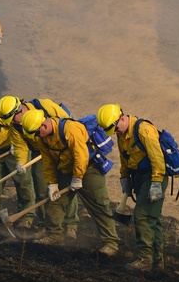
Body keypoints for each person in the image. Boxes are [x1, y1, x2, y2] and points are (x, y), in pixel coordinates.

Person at [21, 109, 119, 255]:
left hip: (89, 169)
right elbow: (48, 162)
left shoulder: (70, 129)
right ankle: (54, 236)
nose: (35, 137)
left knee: (99, 205)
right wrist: (52, 183)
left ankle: (111, 243)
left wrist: (78, 177)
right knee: (54, 201)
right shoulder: (42, 138)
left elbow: (81, 155)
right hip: (67, 170)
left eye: (35, 133)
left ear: (43, 126)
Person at [97, 104, 167, 273]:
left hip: (153, 176)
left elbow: (157, 158)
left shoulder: (144, 130)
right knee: (152, 219)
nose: (114, 132)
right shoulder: (122, 133)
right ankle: (157, 262)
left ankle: (145, 259)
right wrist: (124, 178)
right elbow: (124, 157)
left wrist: (156, 183)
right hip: (139, 178)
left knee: (141, 216)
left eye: (114, 128)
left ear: (121, 118)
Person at [0, 96, 80, 236]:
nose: (11, 122)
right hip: (41, 152)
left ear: (19, 110)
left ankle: (70, 224)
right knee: (43, 188)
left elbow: (68, 124)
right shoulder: (15, 126)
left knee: (65, 187)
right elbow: (20, 146)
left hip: (62, 150)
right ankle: (45, 223)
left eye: (12, 118)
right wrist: (21, 162)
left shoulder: (44, 106)